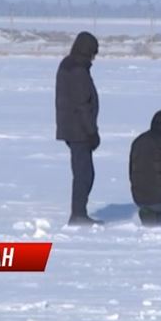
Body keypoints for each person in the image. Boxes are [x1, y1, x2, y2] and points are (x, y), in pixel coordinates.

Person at [55, 31, 103, 226]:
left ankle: (79, 213)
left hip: (72, 129)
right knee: (84, 174)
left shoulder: (70, 65)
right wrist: (91, 132)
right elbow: (82, 105)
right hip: (79, 131)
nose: (94, 57)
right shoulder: (77, 70)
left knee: (83, 172)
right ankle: (78, 215)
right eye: (93, 53)